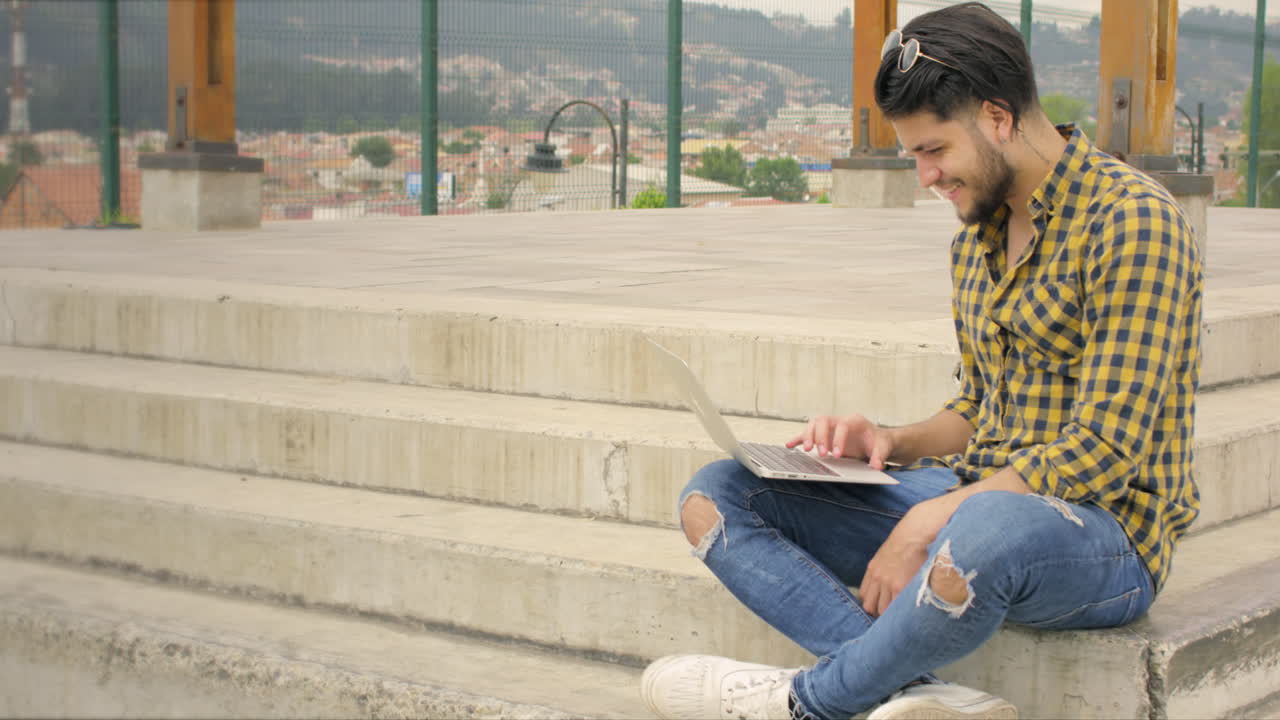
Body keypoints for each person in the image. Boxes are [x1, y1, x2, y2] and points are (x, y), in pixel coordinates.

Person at [638, 3, 1203, 719]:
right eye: (913, 156)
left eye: (934, 150)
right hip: (970, 501)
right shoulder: (978, 239)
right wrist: (890, 441)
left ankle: (808, 704)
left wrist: (928, 521)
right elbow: (981, 407)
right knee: (718, 495)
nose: (926, 176)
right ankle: (920, 699)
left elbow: (1106, 448)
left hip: (1102, 540)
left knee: (986, 526)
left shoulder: (1132, 222)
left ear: (998, 119)